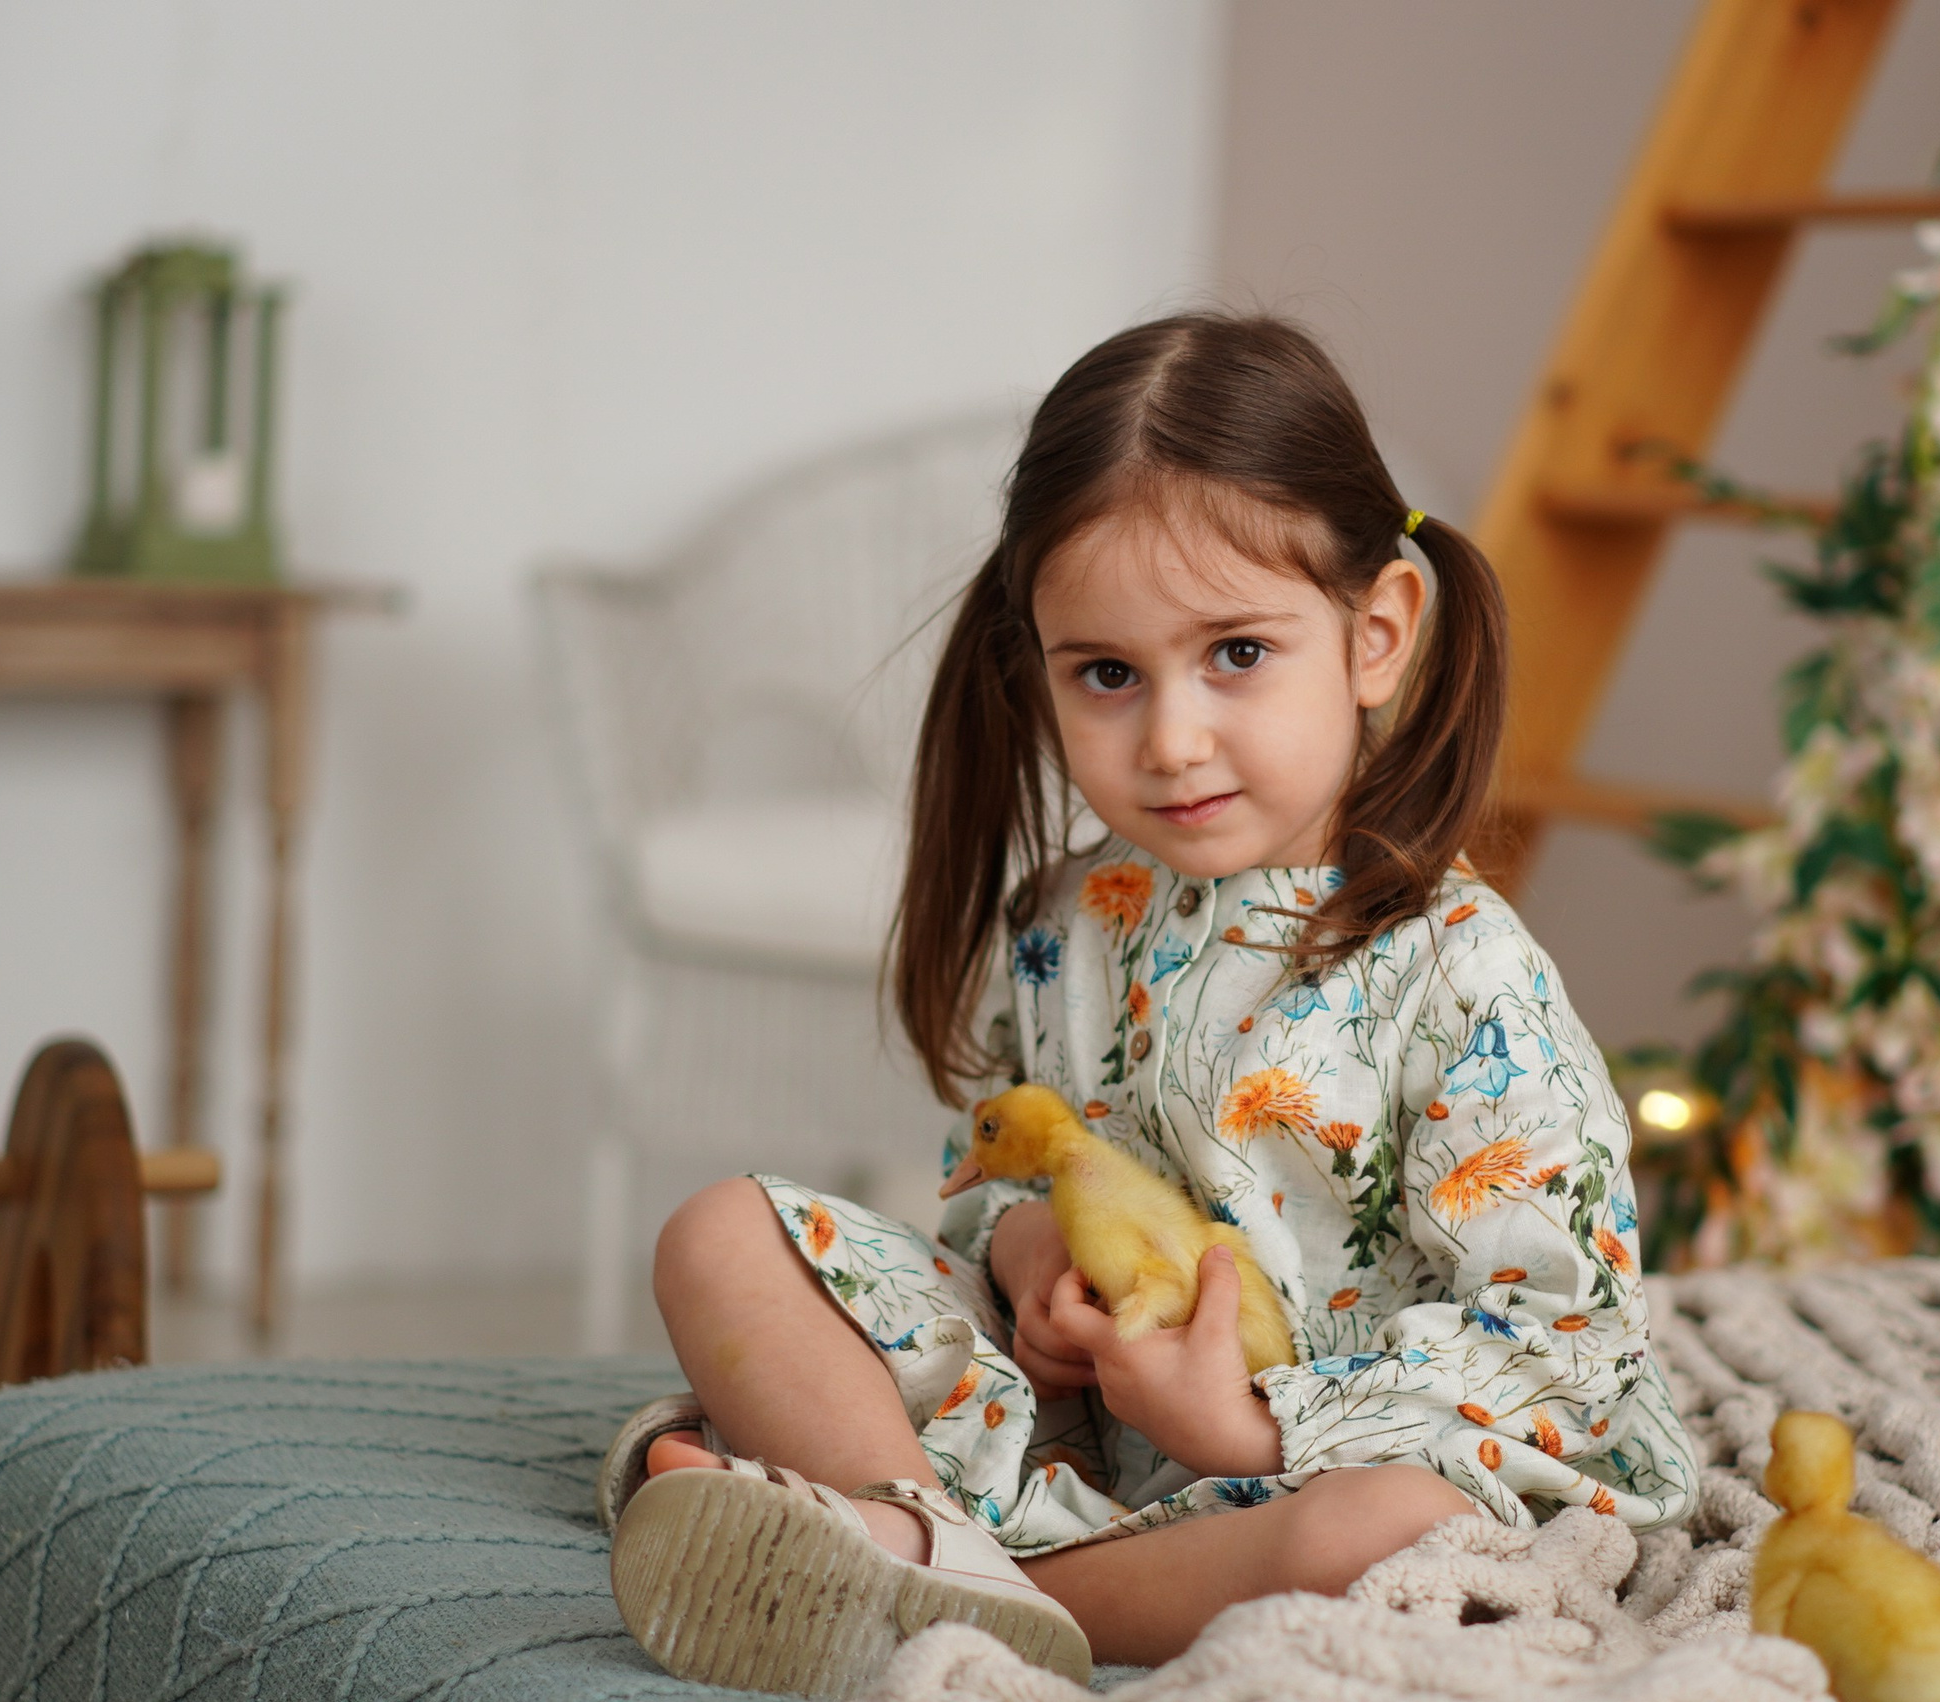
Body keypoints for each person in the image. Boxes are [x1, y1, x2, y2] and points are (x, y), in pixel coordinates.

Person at [605, 313, 1700, 1691]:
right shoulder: (1066, 922)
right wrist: (1028, 1262)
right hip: (1079, 1438)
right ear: (1045, 668)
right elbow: (996, 1179)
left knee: (1398, 1533)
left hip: (1319, 1466)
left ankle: (949, 1572)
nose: (1172, 740)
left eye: (1236, 653)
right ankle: (925, 1532)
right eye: (1109, 674)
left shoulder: (1463, 973)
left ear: (1375, 635)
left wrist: (1252, 1425)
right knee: (720, 1234)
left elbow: (1561, 1341)